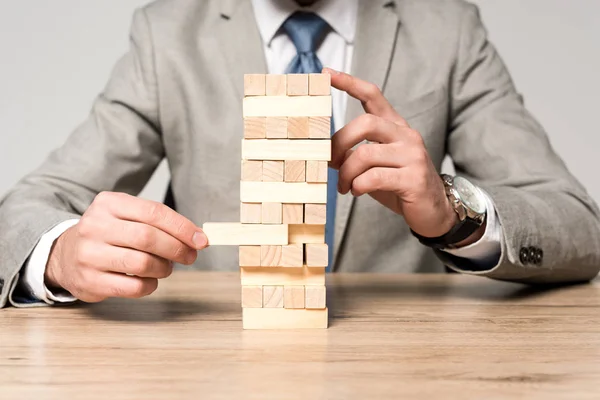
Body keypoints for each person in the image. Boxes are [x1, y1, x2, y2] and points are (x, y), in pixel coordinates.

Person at [1, 0, 599, 309]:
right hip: (217, 368)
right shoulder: (167, 35)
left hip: (403, 368)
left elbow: (580, 225)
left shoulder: (447, 29)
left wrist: (453, 211)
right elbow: (23, 207)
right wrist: (61, 254)